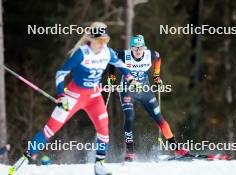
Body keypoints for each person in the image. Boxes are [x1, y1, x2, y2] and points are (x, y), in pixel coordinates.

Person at [9, 22, 141, 175]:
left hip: (94, 97)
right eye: (99, 41)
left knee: (104, 128)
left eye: (105, 41)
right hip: (73, 97)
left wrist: (131, 78)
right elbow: (60, 73)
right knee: (51, 129)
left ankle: (99, 165)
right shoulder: (81, 54)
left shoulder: (107, 52)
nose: (102, 44)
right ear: (91, 40)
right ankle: (25, 158)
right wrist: (61, 95)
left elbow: (121, 65)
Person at [108, 35, 189, 161]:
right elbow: (111, 59)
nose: (138, 51)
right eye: (135, 48)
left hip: (145, 91)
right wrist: (111, 77)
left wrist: (156, 76)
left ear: (144, 48)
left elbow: (158, 59)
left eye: (141, 48)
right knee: (129, 117)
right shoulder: (124, 55)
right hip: (127, 91)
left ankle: (177, 148)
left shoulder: (151, 55)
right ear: (131, 48)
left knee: (159, 118)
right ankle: (130, 152)